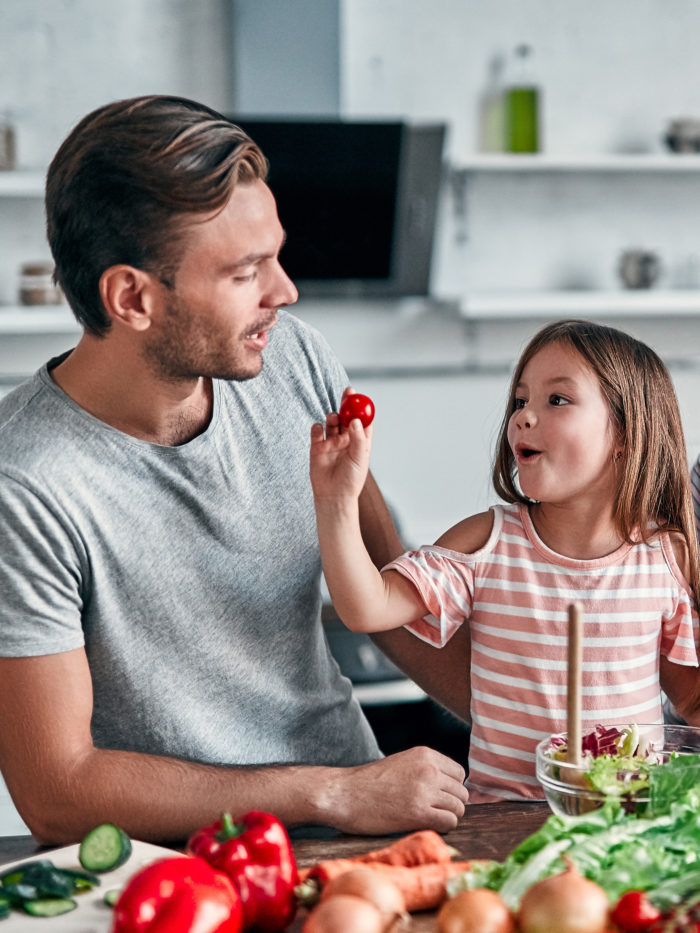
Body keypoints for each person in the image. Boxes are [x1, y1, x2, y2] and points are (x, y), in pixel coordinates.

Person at [0, 95, 469, 846]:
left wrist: (540, 726)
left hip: (363, 831)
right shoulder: (25, 484)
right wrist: (332, 790)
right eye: (248, 270)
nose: (284, 292)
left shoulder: (295, 360)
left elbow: (389, 587)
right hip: (185, 870)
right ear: (132, 297)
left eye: (275, 255)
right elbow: (57, 789)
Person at [310, 319, 700, 803]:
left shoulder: (664, 556)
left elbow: (691, 698)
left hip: (625, 824)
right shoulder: (487, 542)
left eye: (556, 400)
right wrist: (334, 502)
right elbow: (367, 608)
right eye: (520, 401)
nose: (523, 417)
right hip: (501, 822)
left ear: (625, 432)